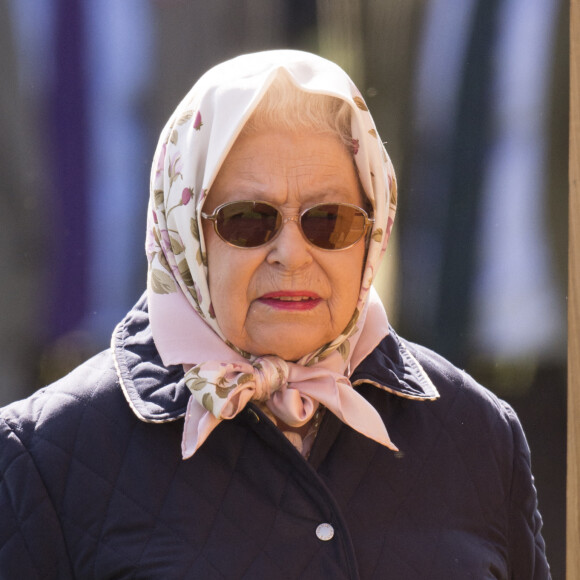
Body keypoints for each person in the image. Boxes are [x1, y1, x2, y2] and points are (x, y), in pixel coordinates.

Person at [0, 50, 549, 579]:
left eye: (330, 220)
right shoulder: (45, 458)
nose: (291, 253)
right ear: (185, 232)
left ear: (373, 231)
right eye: (248, 220)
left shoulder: (478, 431)